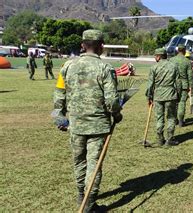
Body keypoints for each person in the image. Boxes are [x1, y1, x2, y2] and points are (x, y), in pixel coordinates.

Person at [53, 29, 122, 212]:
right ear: (101, 47)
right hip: (98, 126)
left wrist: (59, 117)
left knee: (79, 161)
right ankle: (89, 205)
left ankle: (81, 196)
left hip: (75, 125)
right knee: (94, 164)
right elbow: (112, 100)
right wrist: (116, 115)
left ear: (83, 45)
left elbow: (59, 93)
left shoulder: (67, 66)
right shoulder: (105, 69)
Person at [146, 48, 180, 146]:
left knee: (159, 118)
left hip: (158, 95)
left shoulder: (154, 67)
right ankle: (169, 139)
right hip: (170, 95)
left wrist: (149, 97)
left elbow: (150, 85)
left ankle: (160, 139)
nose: (154, 57)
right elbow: (178, 82)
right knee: (171, 117)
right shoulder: (173, 66)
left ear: (159, 56)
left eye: (155, 56)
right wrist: (178, 94)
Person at [169, 44, 193, 127]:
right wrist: (191, 86)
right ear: (184, 50)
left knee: (174, 103)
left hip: (173, 84)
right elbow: (190, 75)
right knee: (182, 103)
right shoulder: (187, 61)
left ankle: (174, 120)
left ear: (177, 50)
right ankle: (180, 121)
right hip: (184, 85)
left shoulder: (171, 60)